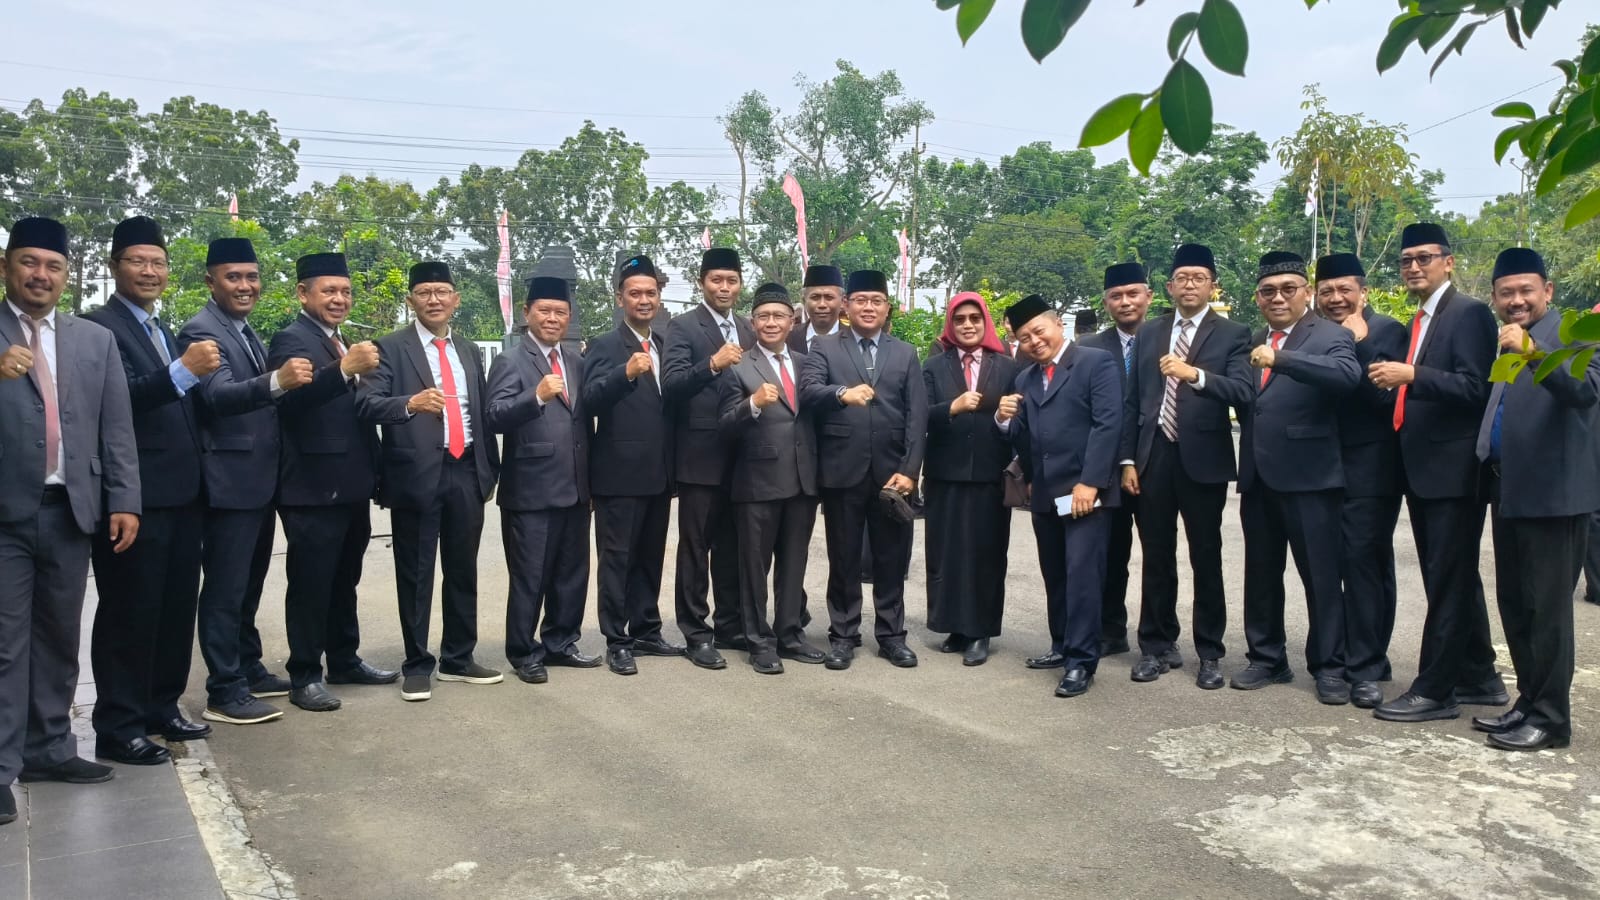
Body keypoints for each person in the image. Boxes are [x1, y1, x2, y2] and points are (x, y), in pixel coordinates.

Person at [0, 217, 139, 822]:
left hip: (71, 511)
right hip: (6, 514)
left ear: (67, 275)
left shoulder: (92, 340)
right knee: (6, 645)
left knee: (59, 638)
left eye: (53, 266)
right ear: (7, 268)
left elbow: (116, 427)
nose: (41, 275)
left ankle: (50, 748)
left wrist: (125, 498)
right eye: (29, 262)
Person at [83, 216, 217, 765]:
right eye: (137, 261)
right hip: (136, 497)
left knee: (174, 608)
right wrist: (183, 371)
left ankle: (162, 705)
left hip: (183, 494)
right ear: (115, 267)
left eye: (157, 262)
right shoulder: (100, 328)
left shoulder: (159, 329)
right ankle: (119, 723)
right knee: (129, 612)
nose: (149, 271)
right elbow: (117, 401)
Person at [1369, 223, 1506, 723]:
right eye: (1406, 260)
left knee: (1446, 580)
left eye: (1424, 258)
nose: (1413, 267)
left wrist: (1413, 375)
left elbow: (1476, 387)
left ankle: (1436, 689)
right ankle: (1480, 676)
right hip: (1423, 467)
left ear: (1448, 261)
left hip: (1452, 470)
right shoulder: (1423, 318)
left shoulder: (1467, 313)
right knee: (1454, 576)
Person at [357, 261, 503, 702]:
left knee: (463, 569)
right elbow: (366, 405)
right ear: (411, 301)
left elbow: (479, 408)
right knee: (416, 573)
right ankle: (417, 664)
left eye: (442, 292)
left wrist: (488, 468)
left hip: (465, 468)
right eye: (424, 293)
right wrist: (411, 403)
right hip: (416, 473)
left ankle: (459, 657)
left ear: (456, 300)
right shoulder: (391, 347)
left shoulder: (468, 349)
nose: (434, 300)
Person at [180, 238, 310, 726]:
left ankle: (247, 665)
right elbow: (217, 397)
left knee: (250, 582)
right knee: (226, 587)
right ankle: (224, 689)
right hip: (229, 483)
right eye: (233, 277)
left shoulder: (244, 329)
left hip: (258, 482)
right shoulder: (200, 330)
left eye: (252, 277)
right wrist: (278, 381)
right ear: (211, 281)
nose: (245, 286)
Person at [1472, 247, 1597, 751]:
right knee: (1516, 603)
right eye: (1506, 293)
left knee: (1548, 610)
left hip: (1555, 492)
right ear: (1495, 297)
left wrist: (1534, 352)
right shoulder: (1508, 340)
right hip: (1509, 487)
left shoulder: (1574, 333)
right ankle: (1528, 698)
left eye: (1526, 291)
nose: (1516, 300)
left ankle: (1552, 718)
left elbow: (1584, 391)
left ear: (1548, 291)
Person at [267, 252, 397, 712]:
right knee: (311, 582)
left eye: (344, 291)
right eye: (329, 291)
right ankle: (304, 673)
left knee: (346, 578)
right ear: (303, 293)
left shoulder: (340, 341)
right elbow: (290, 403)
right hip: (312, 485)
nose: (339, 299)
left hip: (352, 483)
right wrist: (342, 371)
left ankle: (344, 658)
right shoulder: (292, 338)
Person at [1118, 243, 1253, 689]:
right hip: (1153, 457)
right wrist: (1128, 459)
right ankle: (1156, 646)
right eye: (1182, 278)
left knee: (1205, 557)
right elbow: (1133, 401)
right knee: (1156, 557)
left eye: (1199, 278)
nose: (1190, 284)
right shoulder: (1150, 333)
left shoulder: (1234, 333)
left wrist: (1193, 375)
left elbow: (1241, 391)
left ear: (1213, 285)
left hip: (1203, 460)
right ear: (1169, 286)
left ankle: (1210, 653)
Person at [1233, 252, 1361, 702]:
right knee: (1261, 574)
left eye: (1289, 288)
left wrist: (1282, 359)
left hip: (1311, 478)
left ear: (1306, 292)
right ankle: (1267, 658)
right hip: (1259, 476)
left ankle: (1329, 666)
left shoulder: (1329, 334)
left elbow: (1347, 376)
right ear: (1257, 297)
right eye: (1268, 291)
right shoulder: (1250, 339)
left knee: (1321, 578)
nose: (1278, 297)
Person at [799, 269, 928, 671]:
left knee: (892, 557)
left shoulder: (905, 352)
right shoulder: (824, 347)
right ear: (845, 306)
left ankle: (892, 636)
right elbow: (808, 391)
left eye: (876, 301)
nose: (868, 307)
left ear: (887, 307)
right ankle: (844, 635)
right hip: (842, 469)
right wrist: (842, 393)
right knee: (844, 556)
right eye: (860, 301)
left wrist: (910, 470)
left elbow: (917, 416)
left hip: (893, 475)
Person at [995, 295, 1122, 697]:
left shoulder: (1094, 363)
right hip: (1046, 493)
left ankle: (1082, 661)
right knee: (1056, 573)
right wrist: (1002, 419)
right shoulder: (1025, 379)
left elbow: (1108, 424)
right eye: (1024, 337)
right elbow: (1025, 437)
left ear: (1058, 325)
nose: (1034, 341)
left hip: (1085, 492)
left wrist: (1091, 482)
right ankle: (1060, 644)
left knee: (1083, 574)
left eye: (1039, 331)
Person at [486, 275, 597, 685]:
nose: (552, 319)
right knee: (530, 575)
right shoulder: (510, 361)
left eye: (560, 312)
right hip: (530, 490)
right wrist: (533, 397)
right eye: (544, 311)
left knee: (571, 572)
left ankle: (561, 642)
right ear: (527, 314)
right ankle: (523, 650)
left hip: (575, 487)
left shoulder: (576, 362)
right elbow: (494, 416)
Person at [1313, 252, 1410, 707]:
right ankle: (1347, 654)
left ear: (1362, 291)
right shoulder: (1314, 333)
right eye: (1327, 290)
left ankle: (1368, 667)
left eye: (1343, 289)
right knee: (1334, 565)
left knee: (1365, 564)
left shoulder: (1387, 330)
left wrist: (1352, 345)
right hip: (1324, 466)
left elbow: (1378, 397)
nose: (1335, 298)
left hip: (1371, 466)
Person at [583, 255, 684, 675]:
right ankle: (617, 638)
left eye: (651, 293)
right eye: (635, 293)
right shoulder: (605, 345)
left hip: (658, 474)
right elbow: (587, 401)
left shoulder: (664, 342)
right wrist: (623, 374)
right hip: (618, 474)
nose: (644, 300)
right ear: (620, 297)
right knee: (617, 559)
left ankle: (646, 628)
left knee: (649, 556)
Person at [717, 283, 823, 674]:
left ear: (792, 321)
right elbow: (723, 424)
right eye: (763, 316)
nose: (771, 323)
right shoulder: (739, 365)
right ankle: (758, 641)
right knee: (754, 568)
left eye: (779, 316)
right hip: (757, 483)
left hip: (802, 481)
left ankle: (791, 635)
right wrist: (752, 405)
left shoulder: (807, 361)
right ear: (752, 322)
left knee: (794, 564)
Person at [662, 247, 754, 670]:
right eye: (716, 280)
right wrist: (712, 365)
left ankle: (731, 623)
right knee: (696, 548)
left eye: (731, 280)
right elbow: (673, 384)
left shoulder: (750, 328)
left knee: (733, 546)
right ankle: (696, 632)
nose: (724, 287)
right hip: (700, 457)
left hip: (745, 458)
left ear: (740, 284)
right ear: (702, 283)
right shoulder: (681, 327)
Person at [921, 291, 1018, 666]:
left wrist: (1006, 418)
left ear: (985, 323)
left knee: (986, 555)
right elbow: (920, 415)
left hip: (990, 476)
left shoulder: (1007, 367)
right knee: (947, 554)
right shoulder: (933, 365)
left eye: (974, 319)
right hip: (946, 473)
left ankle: (980, 630)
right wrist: (952, 407)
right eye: (959, 319)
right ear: (951, 324)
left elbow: (1019, 422)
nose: (967, 326)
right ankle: (954, 626)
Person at [1077, 263, 1151, 657]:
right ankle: (1110, 630)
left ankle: (1158, 638)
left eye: (1133, 294)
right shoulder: (1088, 347)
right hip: (1105, 470)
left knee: (1157, 556)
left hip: (1156, 464)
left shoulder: (1166, 341)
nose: (1125, 302)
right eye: (1116, 296)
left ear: (1149, 296)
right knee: (1110, 553)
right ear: (1106, 302)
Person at [790, 264, 845, 355]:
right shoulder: (789, 337)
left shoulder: (855, 337)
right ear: (804, 301)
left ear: (842, 301)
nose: (822, 304)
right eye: (815, 297)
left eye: (829, 297)